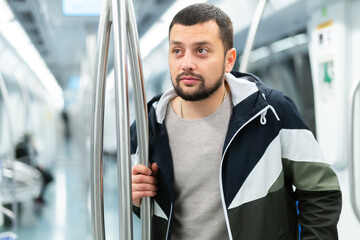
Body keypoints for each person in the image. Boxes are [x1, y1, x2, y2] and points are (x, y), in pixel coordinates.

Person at [131, 3, 342, 240]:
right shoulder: (147, 126)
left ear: (229, 60)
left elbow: (320, 191)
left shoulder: (270, 112)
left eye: (201, 50)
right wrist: (137, 199)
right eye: (177, 51)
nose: (186, 63)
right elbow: (152, 210)